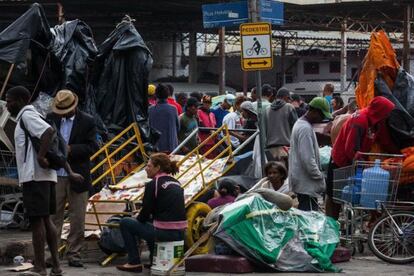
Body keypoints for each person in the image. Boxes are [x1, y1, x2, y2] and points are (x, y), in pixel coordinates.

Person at [6, 86, 62, 276]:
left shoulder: (27, 115)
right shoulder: (30, 115)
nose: (8, 104)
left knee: (37, 221)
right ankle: (56, 266)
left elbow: (47, 132)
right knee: (46, 220)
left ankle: (40, 266)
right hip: (43, 177)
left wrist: (40, 156)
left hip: (35, 176)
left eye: (10, 100)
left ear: (21, 100)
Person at [47, 89, 98, 268]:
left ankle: (74, 253)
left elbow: (93, 147)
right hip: (56, 174)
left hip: (78, 175)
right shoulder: (51, 118)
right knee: (54, 216)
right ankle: (53, 253)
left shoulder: (87, 121)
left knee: (78, 218)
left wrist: (71, 149)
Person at [327, 96, 396, 219]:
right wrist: (361, 163)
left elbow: (385, 140)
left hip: (354, 161)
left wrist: (398, 153)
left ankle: (348, 226)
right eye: (387, 113)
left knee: (352, 196)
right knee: (335, 196)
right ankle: (330, 225)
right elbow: (351, 148)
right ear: (379, 111)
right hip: (340, 161)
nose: (388, 116)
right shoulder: (359, 119)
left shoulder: (377, 122)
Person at [116, 153, 186, 273]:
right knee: (151, 223)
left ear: (157, 168)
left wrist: (135, 217)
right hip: (180, 233)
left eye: (148, 166)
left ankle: (134, 262)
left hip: (164, 233)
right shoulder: (176, 183)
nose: (146, 169)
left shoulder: (153, 184)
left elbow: (144, 215)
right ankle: (153, 259)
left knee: (126, 223)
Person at [289, 97, 332, 211]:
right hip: (305, 185)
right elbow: (307, 160)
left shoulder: (301, 124)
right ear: (314, 111)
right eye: (322, 115)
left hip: (302, 182)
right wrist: (320, 177)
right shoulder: (305, 129)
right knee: (309, 221)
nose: (322, 118)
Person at [264, 88, 298, 160]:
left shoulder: (267, 109)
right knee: (284, 170)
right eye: (288, 98)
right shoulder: (289, 107)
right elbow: (296, 126)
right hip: (285, 147)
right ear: (285, 97)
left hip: (270, 148)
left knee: (273, 170)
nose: (289, 100)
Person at [148, 84, 179, 153]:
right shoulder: (173, 109)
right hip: (171, 147)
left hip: (156, 147)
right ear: (168, 95)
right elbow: (177, 127)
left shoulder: (150, 110)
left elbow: (148, 127)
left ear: (155, 95)